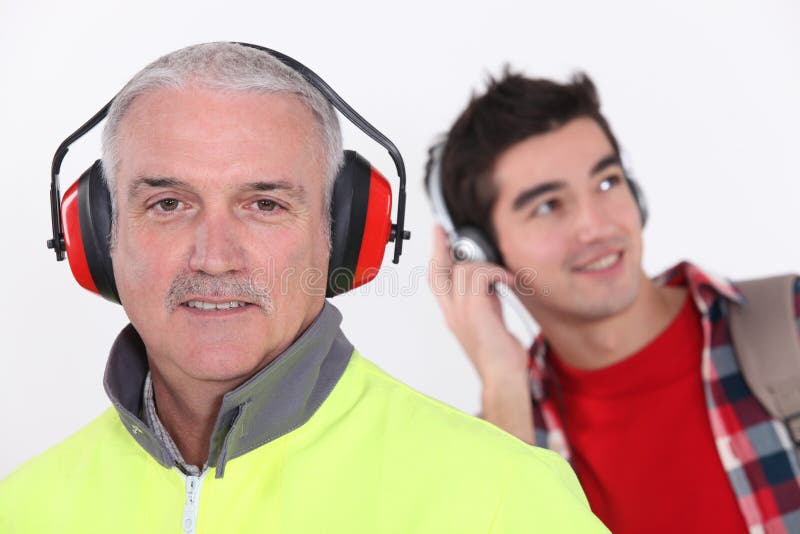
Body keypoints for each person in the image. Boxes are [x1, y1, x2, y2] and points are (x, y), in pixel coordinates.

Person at [0, 44, 606, 533]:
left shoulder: (504, 498)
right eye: (168, 203)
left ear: (342, 237)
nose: (214, 258)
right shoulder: (21, 509)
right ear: (99, 234)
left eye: (264, 204)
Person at [426, 69, 800, 534]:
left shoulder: (791, 326)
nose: (597, 226)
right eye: (548, 206)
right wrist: (502, 382)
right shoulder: (505, 440)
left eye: (606, 182)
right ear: (481, 252)